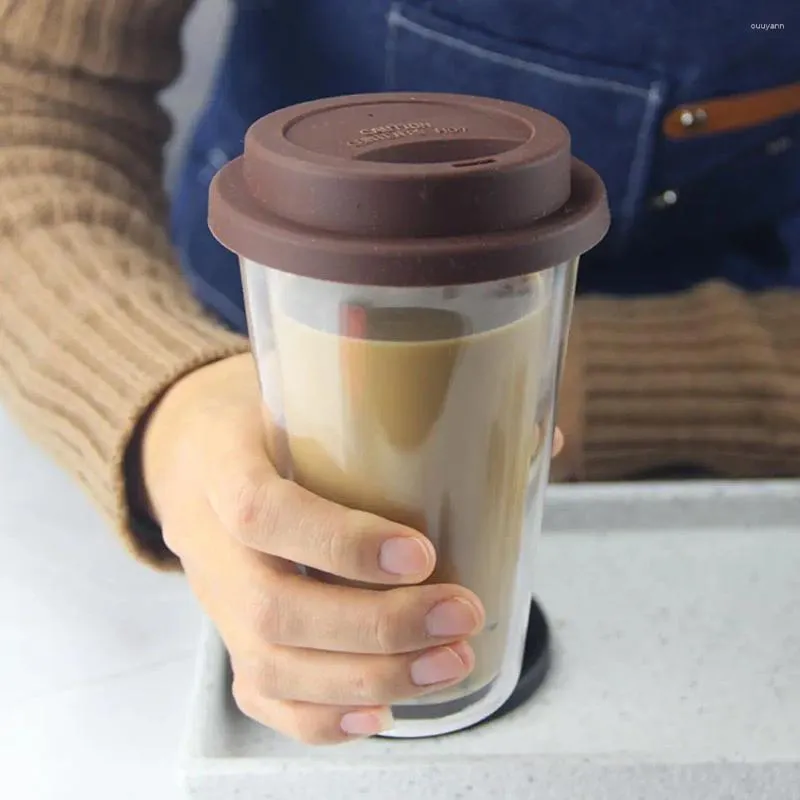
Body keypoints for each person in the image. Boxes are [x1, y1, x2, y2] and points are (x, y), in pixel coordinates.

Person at [0, 0, 798, 745]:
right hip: (224, 414)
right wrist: (162, 405)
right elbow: (29, 104)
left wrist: (558, 374)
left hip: (736, 498)